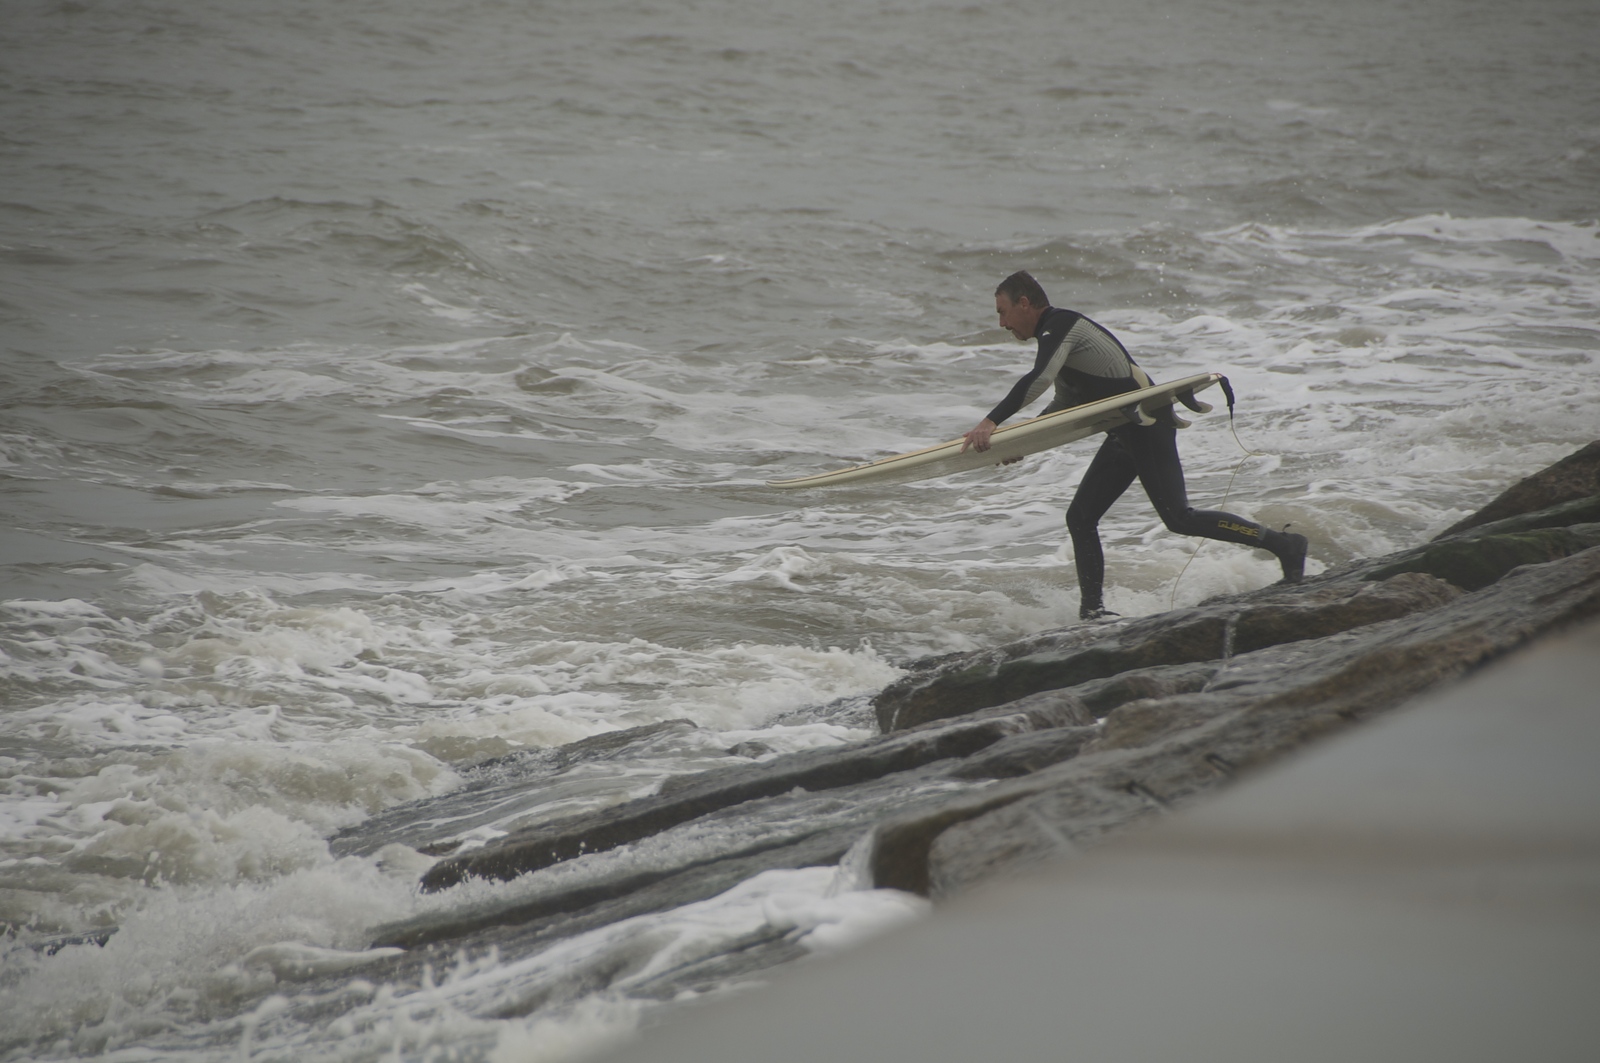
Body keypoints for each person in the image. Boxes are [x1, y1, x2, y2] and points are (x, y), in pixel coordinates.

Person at [961, 270, 1308, 620]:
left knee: (1178, 517)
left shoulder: (1062, 325)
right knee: (1080, 518)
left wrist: (991, 423)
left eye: (1002, 311)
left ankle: (1284, 545)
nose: (1002, 323)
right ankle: (1093, 611)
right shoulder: (1059, 342)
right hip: (1125, 431)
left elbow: (1039, 378)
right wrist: (1023, 442)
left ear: (1024, 303)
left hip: (1149, 426)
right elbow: (1063, 403)